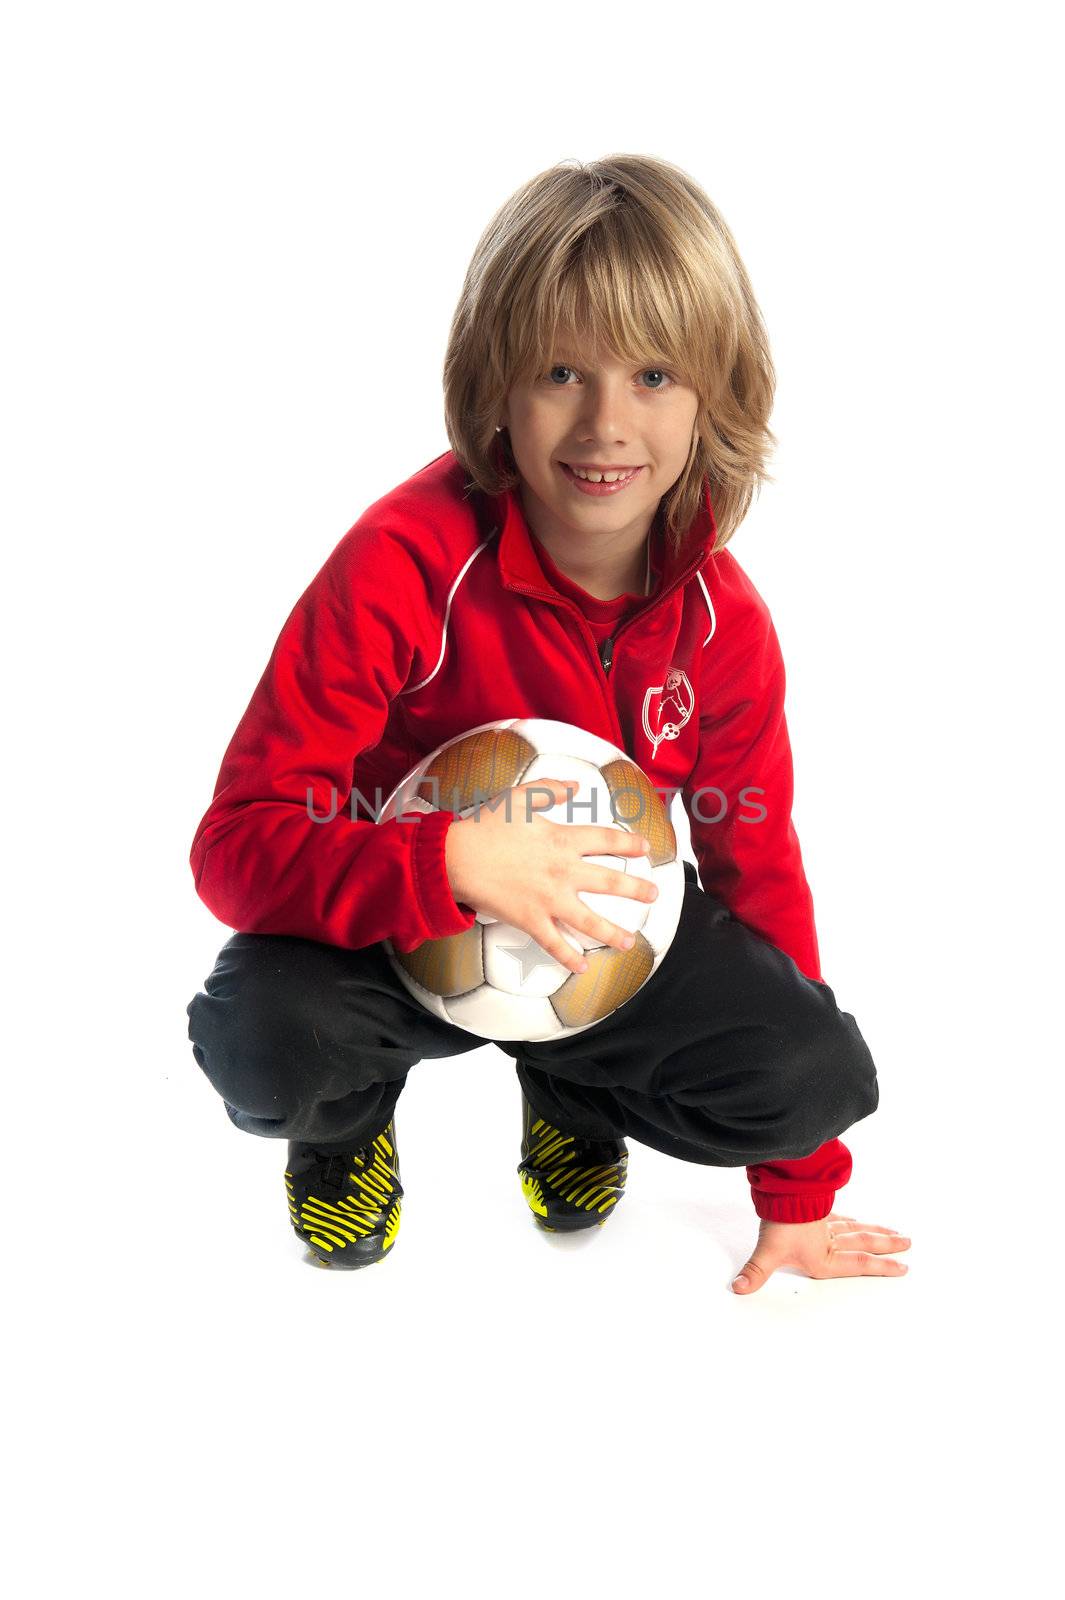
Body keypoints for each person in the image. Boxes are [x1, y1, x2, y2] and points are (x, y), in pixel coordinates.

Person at [186, 153, 911, 1291]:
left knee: (816, 1073)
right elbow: (236, 845)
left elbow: (756, 866)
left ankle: (573, 1087)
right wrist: (450, 858)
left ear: (719, 395)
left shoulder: (723, 624)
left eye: (657, 374)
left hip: (593, 942)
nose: (606, 424)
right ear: (494, 386)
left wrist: (798, 1190)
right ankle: (341, 1131)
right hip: (386, 924)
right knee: (264, 1041)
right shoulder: (401, 564)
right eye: (561, 371)